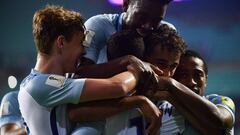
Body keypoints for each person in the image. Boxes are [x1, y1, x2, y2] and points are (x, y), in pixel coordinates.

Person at [18, 5, 160, 135]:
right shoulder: (41, 84)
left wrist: (138, 101)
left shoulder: (41, 82)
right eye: (81, 43)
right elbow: (118, 86)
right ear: (61, 43)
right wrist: (137, 67)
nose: (84, 51)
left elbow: (89, 114)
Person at [69, 24, 186, 135]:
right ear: (144, 60)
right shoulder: (116, 90)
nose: (167, 73)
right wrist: (138, 101)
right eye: (161, 64)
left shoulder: (172, 102)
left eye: (173, 66)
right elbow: (75, 113)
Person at [77, 0, 174, 78]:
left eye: (156, 20)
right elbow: (79, 72)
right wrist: (127, 61)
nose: (148, 26)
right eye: (142, 17)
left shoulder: (167, 33)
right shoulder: (97, 25)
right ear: (125, 5)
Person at [155, 50, 235, 134]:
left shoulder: (220, 101)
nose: (191, 82)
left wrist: (170, 85)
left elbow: (220, 121)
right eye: (184, 75)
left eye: (198, 75)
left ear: (206, 80)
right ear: (175, 78)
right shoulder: (160, 108)